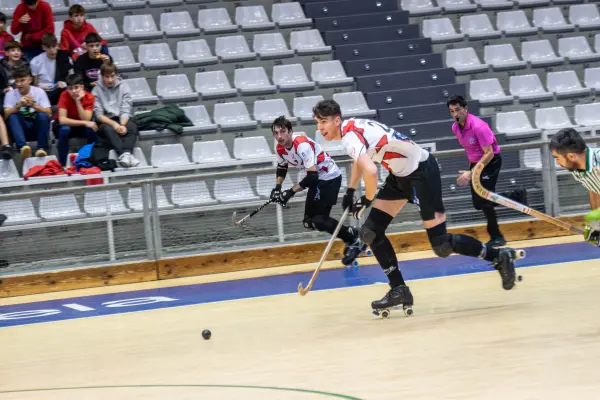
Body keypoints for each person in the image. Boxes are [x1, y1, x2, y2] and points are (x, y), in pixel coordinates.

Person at [313, 99, 520, 315]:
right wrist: (349, 190)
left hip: (422, 173)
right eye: (317, 123)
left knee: (441, 245)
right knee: (370, 232)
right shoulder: (352, 127)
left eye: (324, 122)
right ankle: (399, 289)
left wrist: (366, 199)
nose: (320, 128)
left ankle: (498, 257)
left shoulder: (348, 138)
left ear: (337, 120)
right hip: (401, 175)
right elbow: (360, 159)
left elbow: (371, 171)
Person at [270, 116, 366, 266]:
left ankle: (354, 240)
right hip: (316, 181)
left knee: (319, 220)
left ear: (290, 131)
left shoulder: (301, 145)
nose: (279, 136)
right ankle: (351, 233)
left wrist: (290, 192)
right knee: (309, 222)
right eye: (276, 133)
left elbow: (312, 176)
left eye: (283, 132)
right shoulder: (280, 148)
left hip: (329, 178)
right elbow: (282, 167)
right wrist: (277, 188)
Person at [448, 95, 527, 247]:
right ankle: (515, 197)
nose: (455, 114)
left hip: (490, 162)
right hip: (476, 164)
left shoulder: (479, 126)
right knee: (479, 203)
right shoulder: (455, 128)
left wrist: (473, 172)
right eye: (451, 111)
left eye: (458, 110)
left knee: (485, 199)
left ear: (465, 109)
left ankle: (497, 236)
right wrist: (472, 168)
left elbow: (489, 153)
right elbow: (472, 150)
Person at [549, 128, 600, 246]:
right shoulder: (577, 169)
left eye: (557, 158)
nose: (557, 162)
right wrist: (596, 223)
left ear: (571, 156)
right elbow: (594, 189)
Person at [92, 63, 139, 167]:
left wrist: (122, 125)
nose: (110, 80)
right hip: (106, 121)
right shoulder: (96, 90)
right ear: (102, 76)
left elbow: (126, 108)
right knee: (108, 129)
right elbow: (99, 115)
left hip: (122, 119)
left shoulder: (124, 86)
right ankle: (124, 154)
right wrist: (114, 125)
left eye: (112, 76)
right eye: (107, 77)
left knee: (132, 126)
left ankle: (126, 154)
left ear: (116, 75)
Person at [3, 66, 51, 159]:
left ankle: (42, 149)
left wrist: (34, 105)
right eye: (16, 81)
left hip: (35, 126)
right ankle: (23, 149)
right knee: (12, 116)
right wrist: (18, 106)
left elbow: (49, 113)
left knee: (43, 115)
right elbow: (5, 115)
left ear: (29, 80)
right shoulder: (10, 94)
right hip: (20, 127)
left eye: (22, 80)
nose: (19, 84)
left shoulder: (39, 92)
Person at [56, 73, 97, 165]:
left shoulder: (89, 97)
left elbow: (86, 118)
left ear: (82, 87)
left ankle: (88, 159)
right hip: (68, 127)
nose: (73, 91)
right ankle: (62, 163)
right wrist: (85, 122)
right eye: (70, 88)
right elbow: (62, 120)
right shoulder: (64, 95)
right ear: (67, 89)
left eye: (76, 87)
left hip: (81, 127)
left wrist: (78, 102)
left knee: (92, 129)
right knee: (64, 129)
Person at [30, 33, 73, 105]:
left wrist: (65, 83)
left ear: (57, 45)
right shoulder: (35, 61)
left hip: (60, 90)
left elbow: (72, 77)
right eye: (48, 47)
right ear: (43, 47)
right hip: (43, 91)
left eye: (54, 46)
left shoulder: (65, 57)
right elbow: (35, 84)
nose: (52, 50)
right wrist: (40, 88)